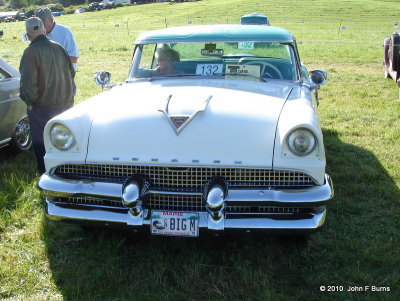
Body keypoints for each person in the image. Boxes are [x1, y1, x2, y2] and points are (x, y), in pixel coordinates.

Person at [19, 17, 75, 174]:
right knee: (65, 140)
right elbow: (71, 73)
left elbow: (28, 83)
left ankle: (47, 175)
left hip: (42, 107)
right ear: (44, 30)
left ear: (28, 35)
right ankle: (68, 171)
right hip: (66, 104)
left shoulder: (30, 52)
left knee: (41, 142)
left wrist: (29, 102)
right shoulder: (59, 48)